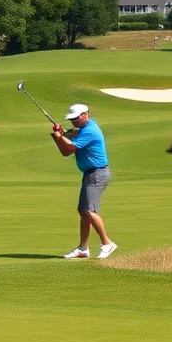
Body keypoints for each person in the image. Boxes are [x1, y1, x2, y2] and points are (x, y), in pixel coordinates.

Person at [51, 103, 117, 260]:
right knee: (83, 211)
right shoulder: (84, 129)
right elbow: (69, 142)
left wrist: (59, 137)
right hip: (90, 174)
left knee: (88, 211)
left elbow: (69, 149)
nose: (73, 121)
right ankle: (83, 249)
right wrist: (61, 134)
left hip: (97, 174)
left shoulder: (90, 131)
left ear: (85, 115)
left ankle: (107, 243)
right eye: (71, 119)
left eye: (76, 118)